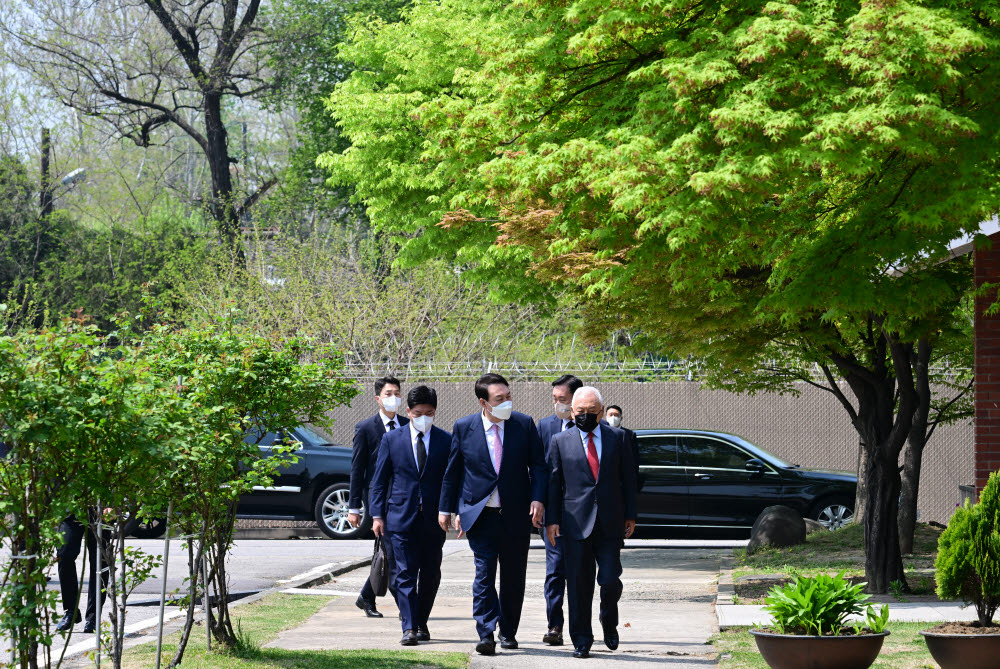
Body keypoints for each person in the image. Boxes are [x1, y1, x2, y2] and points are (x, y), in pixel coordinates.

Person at [439, 373, 547, 656]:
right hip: (481, 515)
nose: (507, 402)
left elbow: (538, 466)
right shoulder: (464, 427)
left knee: (513, 576)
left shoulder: (523, 424)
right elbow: (453, 472)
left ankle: (508, 631)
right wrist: (447, 508)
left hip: (515, 514)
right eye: (500, 399)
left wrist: (538, 498)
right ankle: (486, 633)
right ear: (483, 402)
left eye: (508, 396)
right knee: (484, 575)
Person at [546, 386, 637, 659]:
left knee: (610, 580)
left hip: (610, 522)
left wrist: (630, 515)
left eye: (591, 412)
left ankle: (608, 620)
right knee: (578, 584)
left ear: (601, 411)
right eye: (580, 412)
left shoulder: (618, 438)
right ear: (573, 412)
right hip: (574, 523)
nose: (585, 416)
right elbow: (553, 484)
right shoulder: (560, 441)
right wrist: (551, 521)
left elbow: (629, 480)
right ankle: (582, 639)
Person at [370, 385, 451, 646]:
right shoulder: (392, 439)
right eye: (418, 413)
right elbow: (379, 481)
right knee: (403, 573)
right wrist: (377, 515)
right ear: (408, 411)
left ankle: (421, 621)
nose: (423, 417)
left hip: (433, 519)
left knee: (430, 573)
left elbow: (451, 480)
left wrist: (450, 510)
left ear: (435, 412)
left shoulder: (445, 440)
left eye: (429, 412)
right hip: (398, 516)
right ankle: (409, 627)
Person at [348, 376, 407, 617]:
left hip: (403, 498)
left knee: (388, 553)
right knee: (389, 552)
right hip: (379, 499)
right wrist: (354, 507)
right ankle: (406, 608)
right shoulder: (366, 428)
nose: (393, 398)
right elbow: (357, 469)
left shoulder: (407, 423)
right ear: (378, 398)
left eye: (397, 393)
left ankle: (366, 596)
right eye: (388, 393)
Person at [535, 374, 583, 647]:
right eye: (555, 399)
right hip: (554, 513)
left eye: (562, 399)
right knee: (554, 571)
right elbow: (540, 470)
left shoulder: (592, 426)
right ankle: (554, 625)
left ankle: (582, 624)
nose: (557, 404)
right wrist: (539, 504)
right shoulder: (545, 426)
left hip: (584, 513)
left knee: (580, 572)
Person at [56, 510, 110, 633]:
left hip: (99, 505)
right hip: (71, 507)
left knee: (99, 561)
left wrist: (111, 504)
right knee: (64, 555)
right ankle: (71, 611)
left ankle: (93, 617)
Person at [605, 404, 640, 481]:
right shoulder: (601, 433)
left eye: (616, 415)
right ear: (606, 417)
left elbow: (634, 457)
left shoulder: (629, 434)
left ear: (621, 418)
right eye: (610, 415)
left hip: (623, 476)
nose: (613, 418)